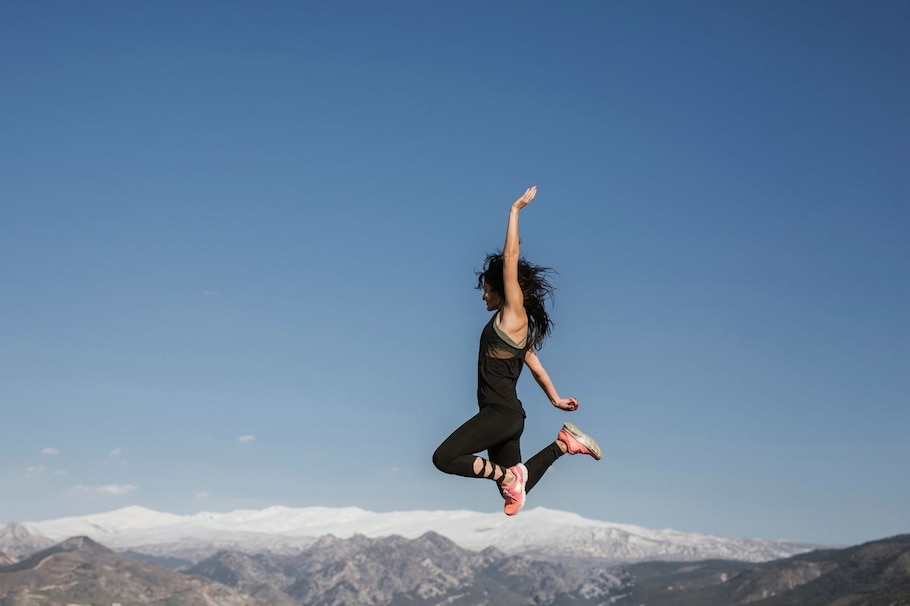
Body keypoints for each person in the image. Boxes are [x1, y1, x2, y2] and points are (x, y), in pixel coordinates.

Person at [432, 186, 601, 516]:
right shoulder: (513, 332)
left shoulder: (513, 315)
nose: (483, 297)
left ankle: (508, 474)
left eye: (486, 290)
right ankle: (564, 444)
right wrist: (555, 398)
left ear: (500, 290)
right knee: (513, 493)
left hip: (499, 414)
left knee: (444, 458)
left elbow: (510, 259)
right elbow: (535, 365)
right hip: (507, 417)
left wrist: (514, 211)